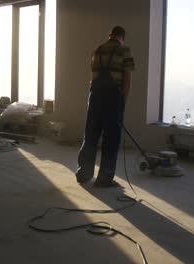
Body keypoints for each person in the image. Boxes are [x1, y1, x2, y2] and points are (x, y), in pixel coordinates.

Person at [76, 26, 135, 187]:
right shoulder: (125, 50)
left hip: (95, 97)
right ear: (122, 37)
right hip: (112, 98)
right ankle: (104, 178)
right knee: (111, 138)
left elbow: (93, 77)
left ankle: (84, 173)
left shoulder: (97, 51)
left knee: (91, 135)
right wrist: (123, 102)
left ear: (110, 35)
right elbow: (127, 81)